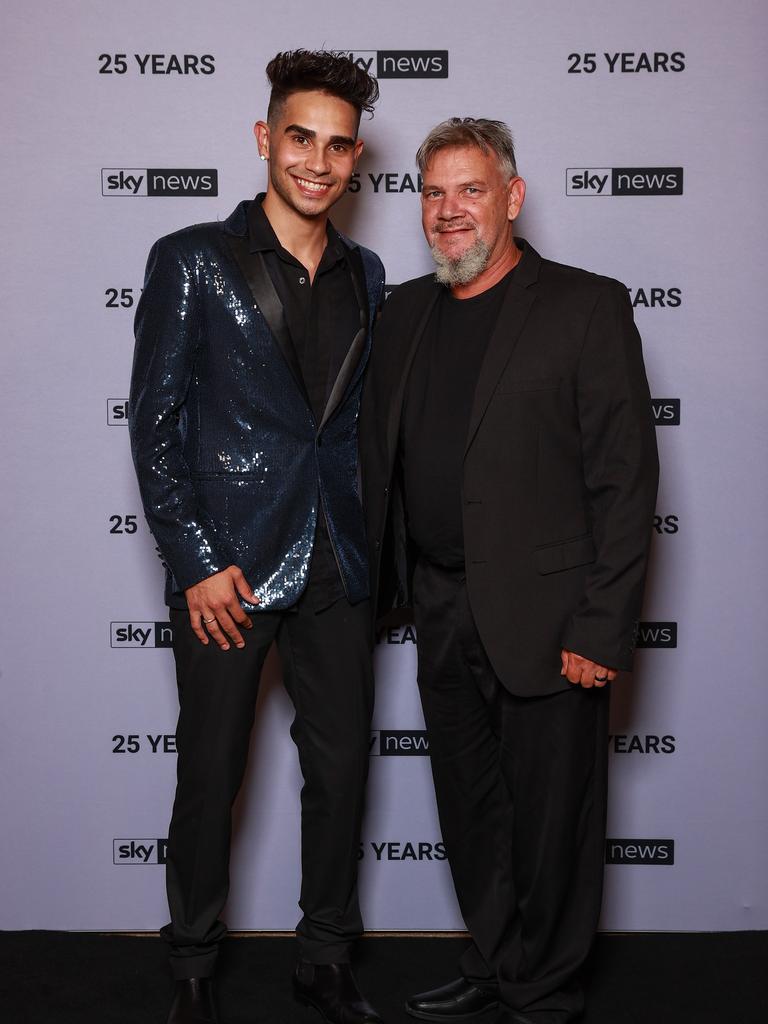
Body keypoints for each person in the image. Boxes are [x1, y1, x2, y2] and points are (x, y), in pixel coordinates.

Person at [360, 118, 659, 1024]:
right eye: (434, 194)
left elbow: (625, 477)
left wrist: (602, 626)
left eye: (471, 191)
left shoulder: (585, 304)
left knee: (553, 820)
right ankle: (497, 957)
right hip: (442, 605)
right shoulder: (404, 312)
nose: (450, 213)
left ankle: (545, 991)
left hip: (552, 615)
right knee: (472, 806)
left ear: (512, 198)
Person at [129, 50, 386, 1024]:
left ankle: (325, 955)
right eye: (298, 137)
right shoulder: (193, 258)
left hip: (337, 561)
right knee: (210, 777)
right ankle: (192, 966)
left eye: (336, 144)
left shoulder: (368, 273)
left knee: (343, 769)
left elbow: (355, 426)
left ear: (356, 157)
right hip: (228, 570)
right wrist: (195, 563)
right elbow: (154, 425)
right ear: (264, 139)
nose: (316, 161)